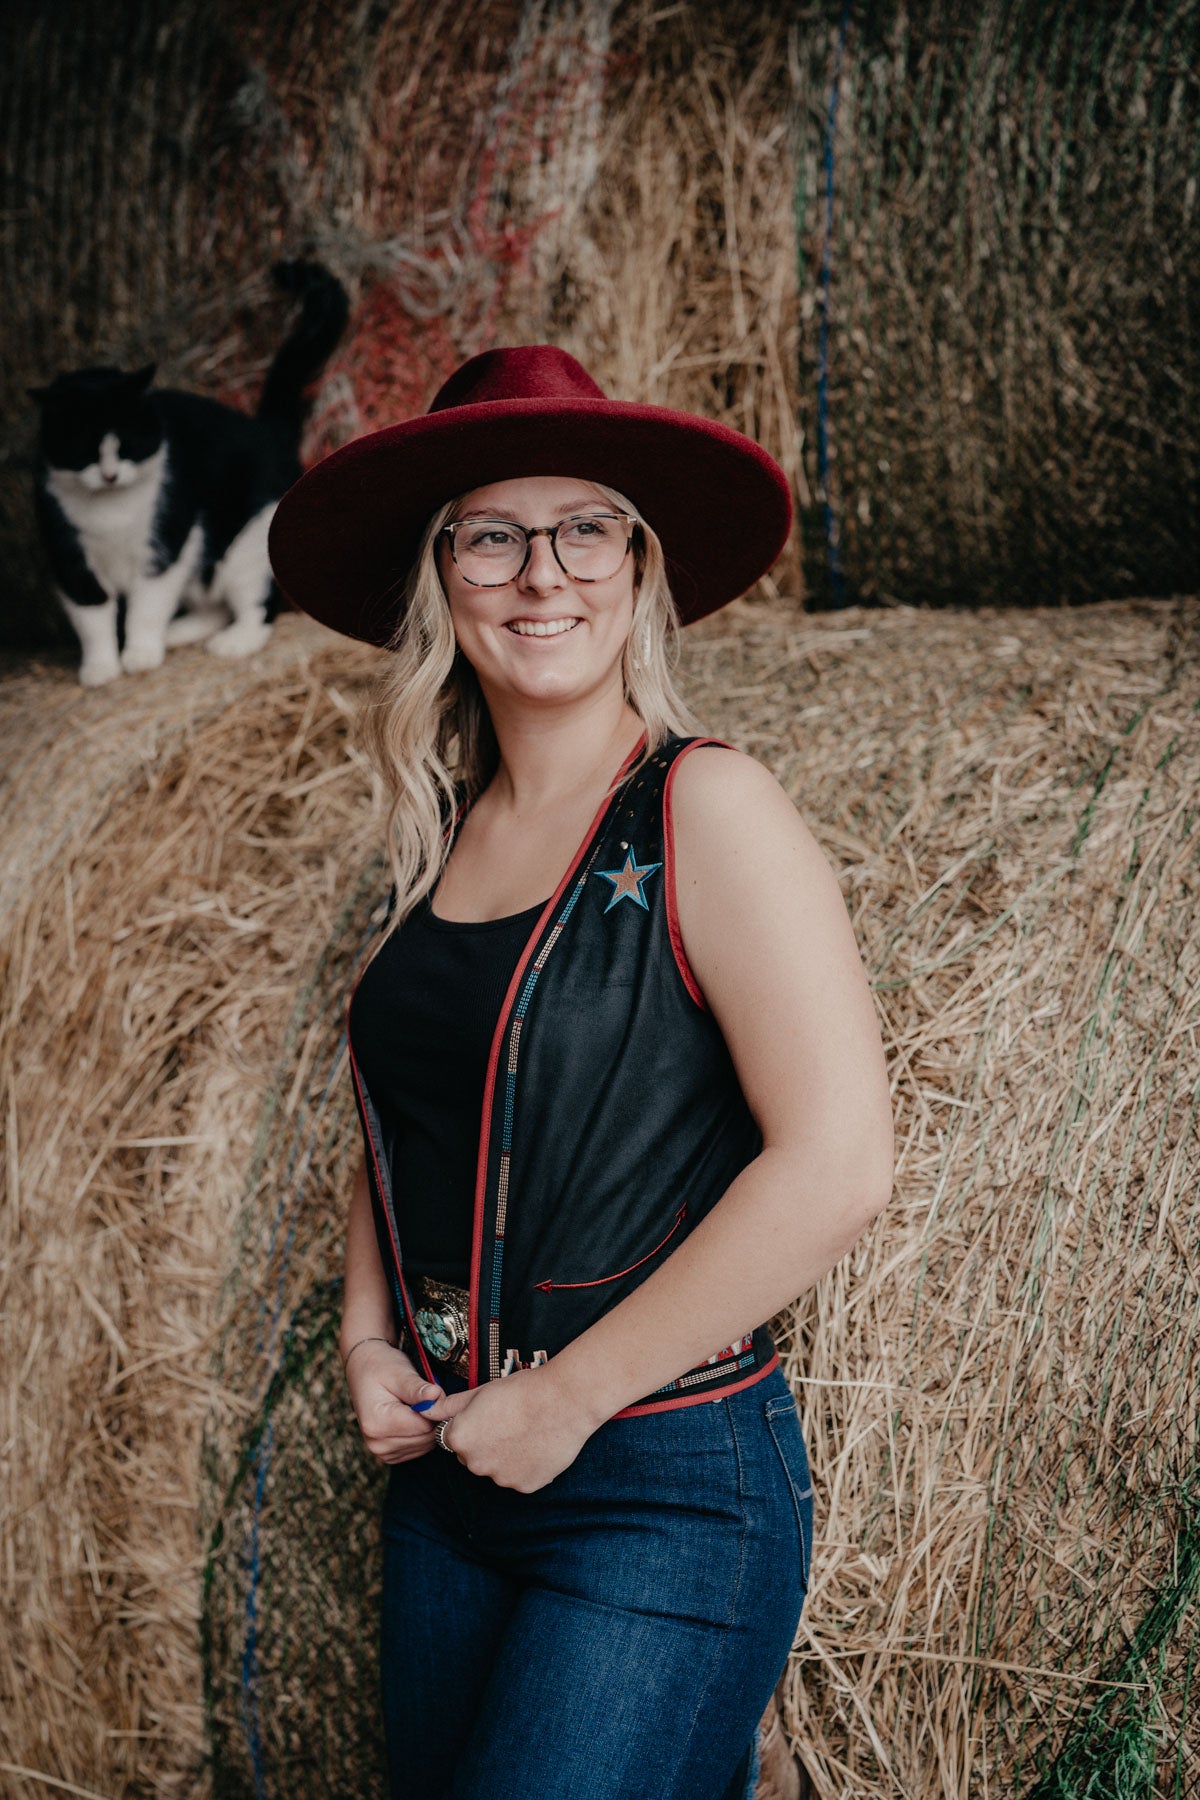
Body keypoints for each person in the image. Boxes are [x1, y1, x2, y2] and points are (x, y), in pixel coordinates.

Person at [268, 345, 892, 1800]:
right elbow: (402, 1132)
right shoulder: (436, 838)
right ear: (442, 578)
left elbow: (838, 1163)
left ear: (637, 563)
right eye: (491, 534)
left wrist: (569, 1398)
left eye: (583, 528)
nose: (541, 574)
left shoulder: (707, 806)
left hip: (661, 1488)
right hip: (444, 1490)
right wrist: (371, 1341)